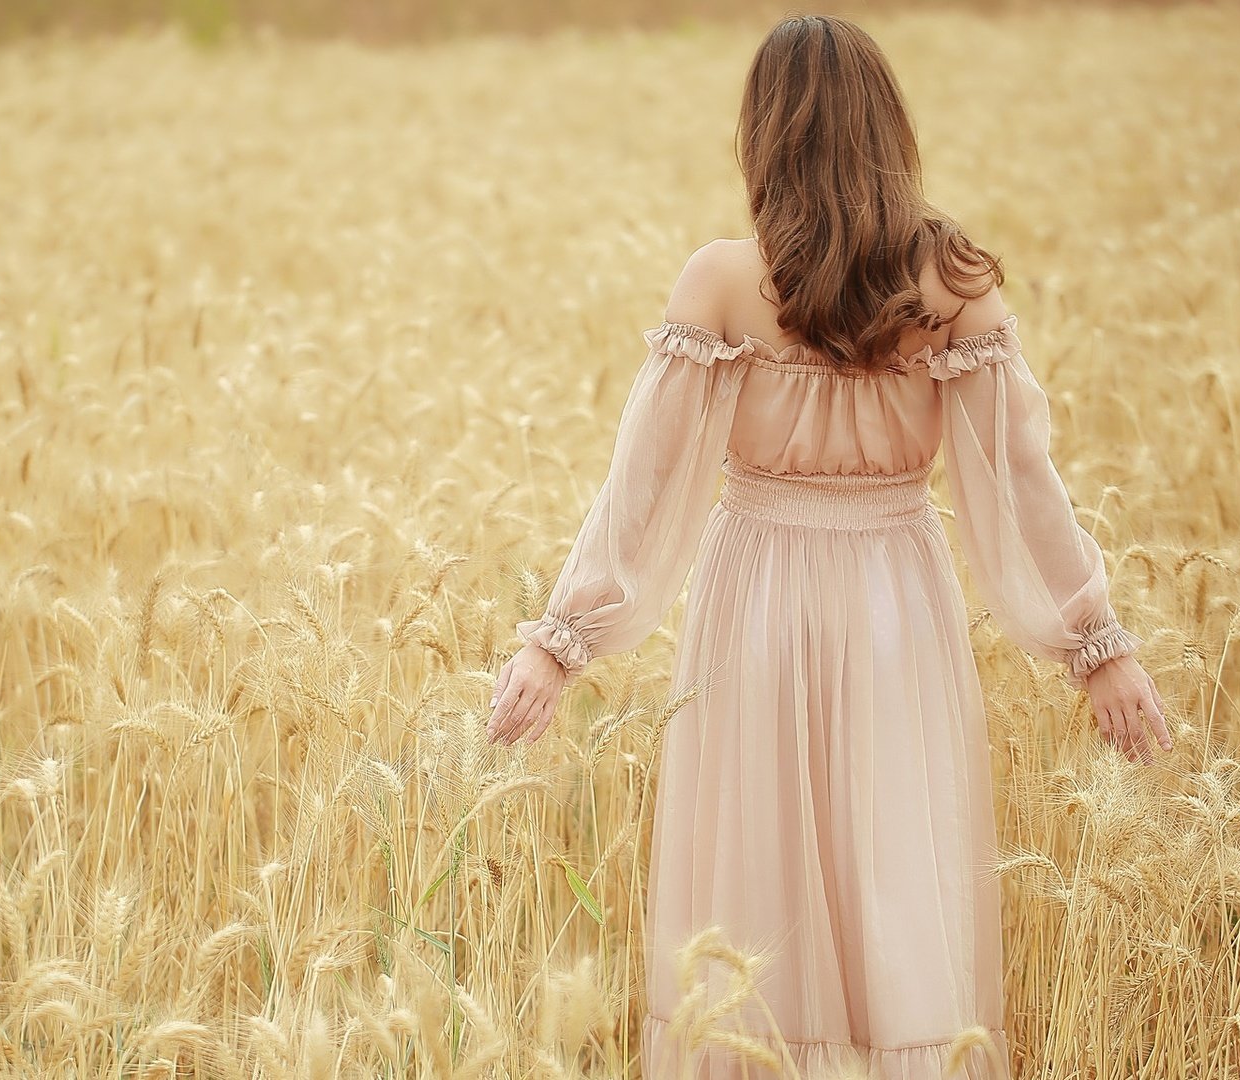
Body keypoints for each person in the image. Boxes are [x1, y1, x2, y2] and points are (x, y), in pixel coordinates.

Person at [483, 13, 1173, 1079]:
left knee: (751, 895)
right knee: (897, 874)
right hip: (899, 601)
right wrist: (1097, 645)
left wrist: (559, 643)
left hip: (751, 600)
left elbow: (643, 489)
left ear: (766, 137)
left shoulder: (720, 281)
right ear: (887, 132)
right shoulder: (954, 281)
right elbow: (1023, 484)